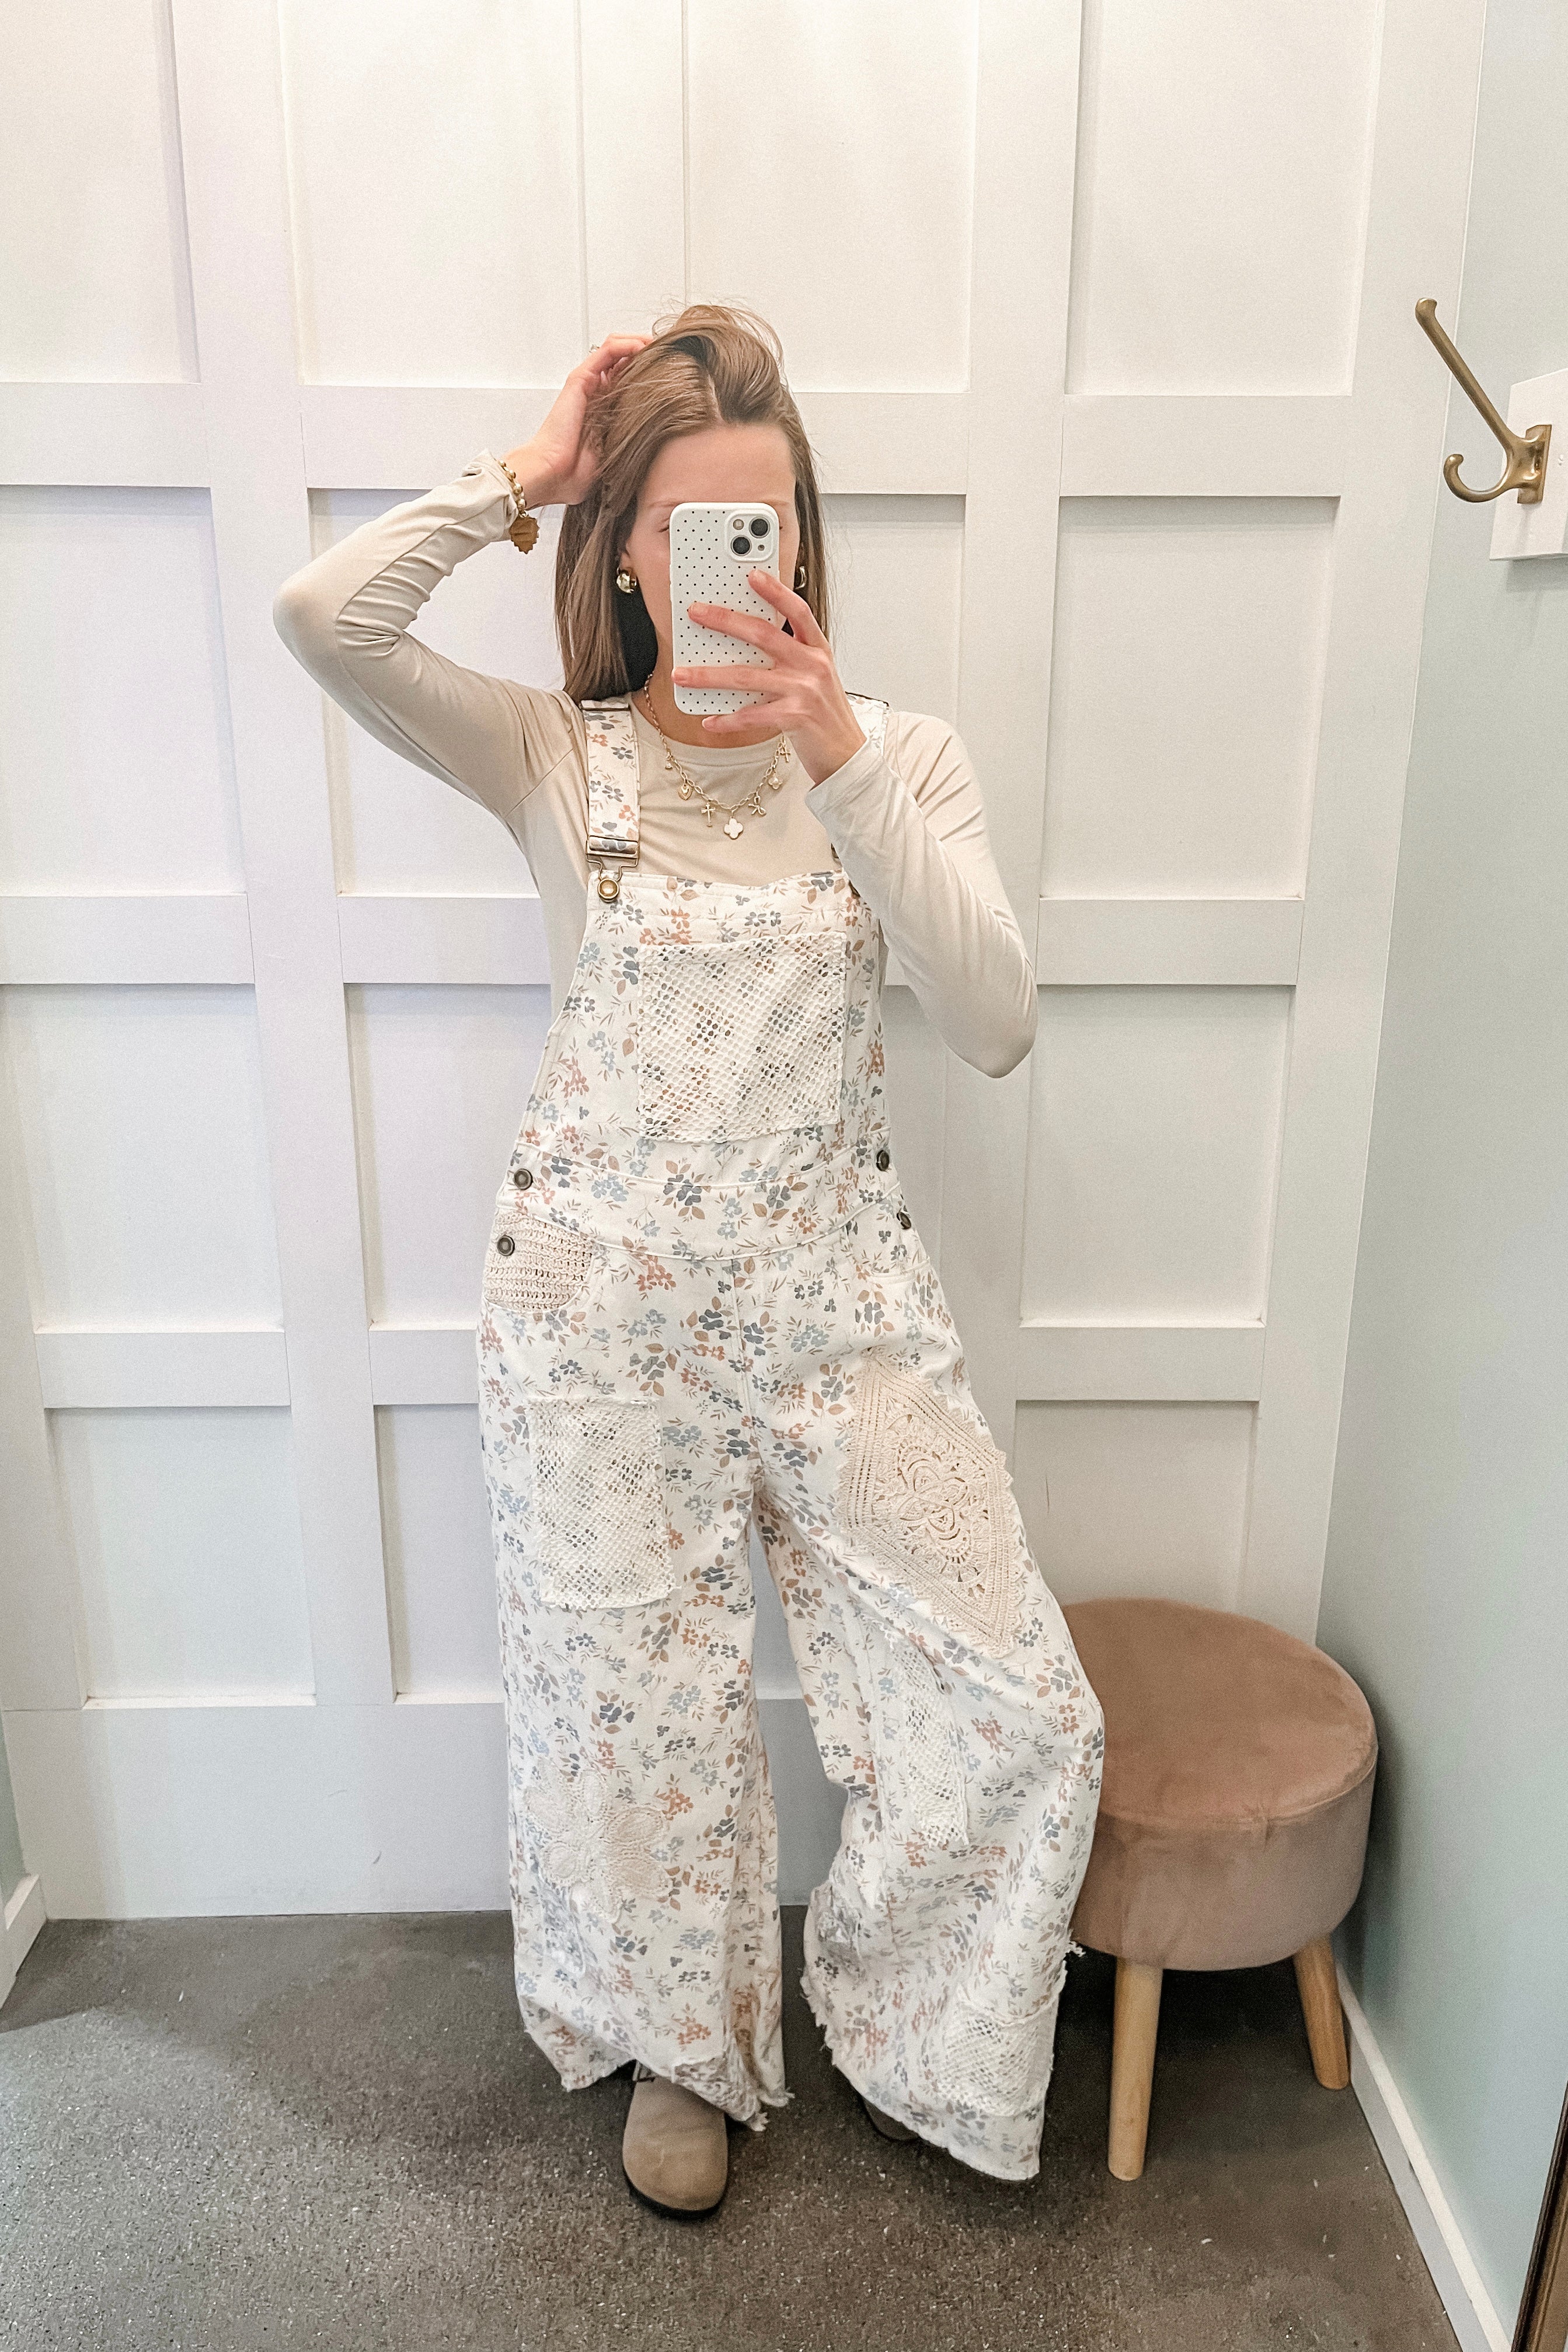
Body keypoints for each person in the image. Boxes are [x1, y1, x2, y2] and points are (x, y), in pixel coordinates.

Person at [274, 305, 1103, 2217]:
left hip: (840, 1310)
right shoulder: (551, 757)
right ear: (632, 553)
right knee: (633, 1718)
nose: (751, 558)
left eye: (775, 522)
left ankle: (904, 2020)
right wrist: (526, 471)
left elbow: (994, 1023)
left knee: (1017, 1702)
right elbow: (325, 621)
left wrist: (838, 753)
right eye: (699, 526)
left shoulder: (901, 758)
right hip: (602, 1327)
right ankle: (678, 2051)